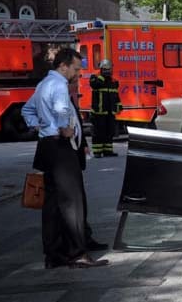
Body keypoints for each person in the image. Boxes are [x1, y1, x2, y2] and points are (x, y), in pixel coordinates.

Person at [21, 48, 109, 269]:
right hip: (60, 148)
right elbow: (61, 109)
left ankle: (54, 254)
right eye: (76, 69)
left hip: (46, 146)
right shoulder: (59, 84)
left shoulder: (42, 85)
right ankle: (77, 254)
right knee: (72, 202)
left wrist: (40, 126)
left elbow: (27, 110)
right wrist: (63, 128)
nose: (77, 74)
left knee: (52, 204)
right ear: (63, 66)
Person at [69, 75, 109, 252]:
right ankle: (76, 246)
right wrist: (49, 130)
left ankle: (84, 238)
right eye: (75, 81)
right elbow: (30, 111)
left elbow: (76, 122)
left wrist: (83, 144)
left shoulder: (69, 99)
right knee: (71, 203)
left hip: (73, 152)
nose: (78, 86)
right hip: (61, 152)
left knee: (78, 201)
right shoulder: (54, 90)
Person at [90, 59, 122, 158]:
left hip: (110, 112)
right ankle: (97, 151)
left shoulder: (114, 81)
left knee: (109, 132)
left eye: (109, 70)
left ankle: (108, 151)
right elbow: (95, 85)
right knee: (99, 132)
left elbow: (116, 95)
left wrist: (119, 105)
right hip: (98, 112)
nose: (108, 72)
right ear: (101, 69)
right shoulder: (95, 78)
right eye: (105, 70)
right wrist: (102, 76)